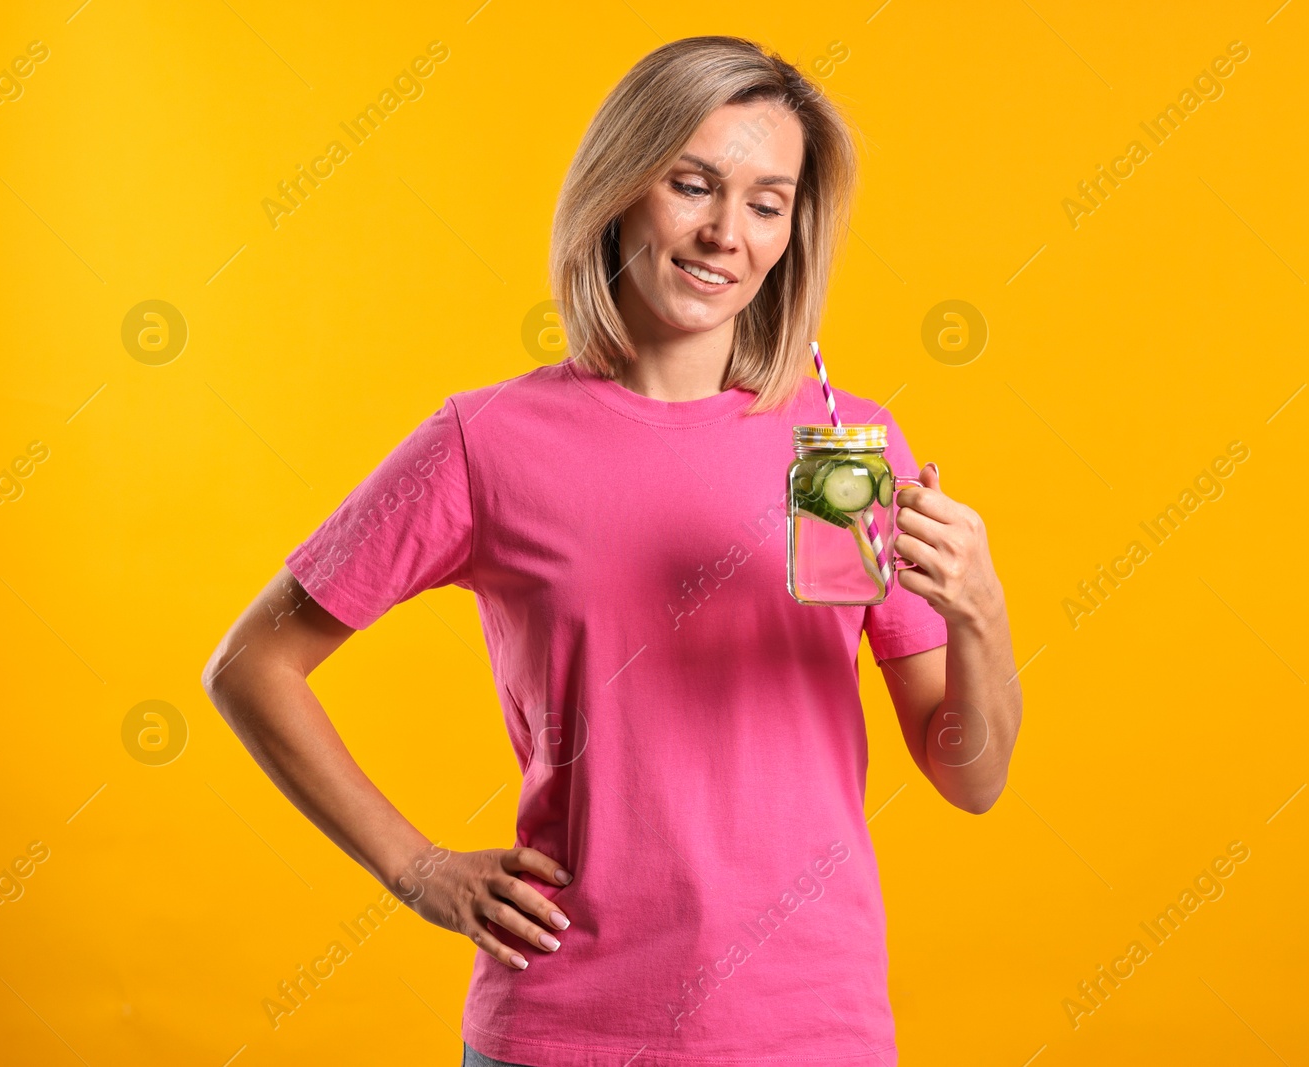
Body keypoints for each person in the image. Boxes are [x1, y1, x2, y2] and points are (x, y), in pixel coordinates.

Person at [203, 34, 1021, 1067]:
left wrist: (978, 613)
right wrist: (415, 868)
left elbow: (971, 776)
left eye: (767, 202)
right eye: (693, 185)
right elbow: (251, 665)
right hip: (564, 1028)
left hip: (810, 1026)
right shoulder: (486, 443)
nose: (727, 232)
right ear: (622, 187)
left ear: (792, 233)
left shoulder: (838, 453)